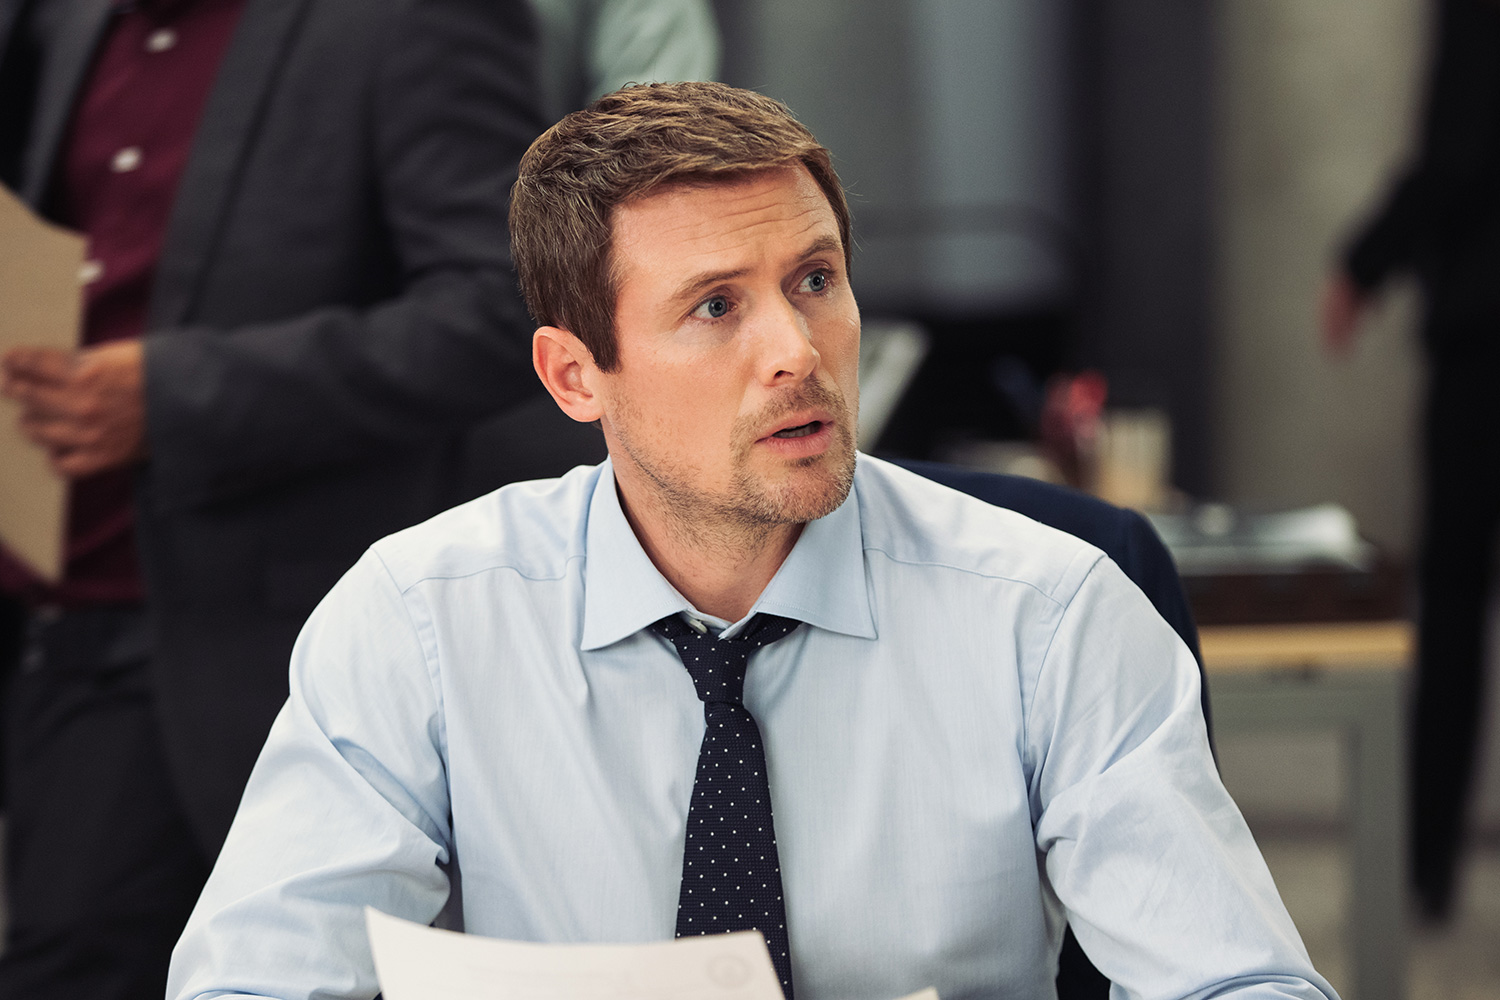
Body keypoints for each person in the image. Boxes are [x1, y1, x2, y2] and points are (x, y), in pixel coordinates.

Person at [168, 82, 1337, 1000]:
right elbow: (250, 979)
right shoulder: (421, 620)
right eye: (716, 305)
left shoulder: (1050, 609)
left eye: (816, 279)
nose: (798, 350)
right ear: (575, 376)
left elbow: (1242, 981)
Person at [0, 0, 543, 995]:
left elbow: (508, 308)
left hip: (280, 642)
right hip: (59, 610)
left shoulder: (411, 18)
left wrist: (180, 397)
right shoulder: (68, 22)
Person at [1319, 0, 1500, 922]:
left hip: (1486, 341)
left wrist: (1365, 260)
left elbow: (1462, 155)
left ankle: (1425, 867)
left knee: (1456, 595)